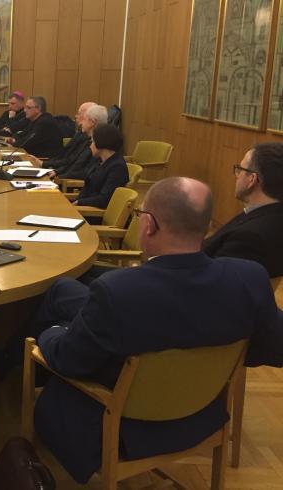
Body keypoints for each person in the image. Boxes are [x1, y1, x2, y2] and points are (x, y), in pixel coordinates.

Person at [26, 177, 283, 484]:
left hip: (121, 427)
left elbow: (68, 360)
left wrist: (53, 331)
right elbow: (273, 348)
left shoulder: (118, 291)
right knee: (65, 290)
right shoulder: (250, 278)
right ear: (205, 227)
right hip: (202, 415)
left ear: (148, 225)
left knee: (57, 317)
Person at [203, 142, 283, 278]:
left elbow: (213, 281)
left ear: (252, 179)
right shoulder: (267, 215)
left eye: (240, 169)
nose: (237, 175)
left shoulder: (250, 238)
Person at [72, 123, 128, 208]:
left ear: (101, 142)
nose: (90, 146)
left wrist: (79, 202)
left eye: (93, 141)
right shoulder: (99, 161)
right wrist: (76, 201)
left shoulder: (117, 167)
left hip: (93, 212)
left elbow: (104, 199)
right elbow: (88, 186)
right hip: (84, 206)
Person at [36, 101, 96, 169]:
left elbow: (72, 162)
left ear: (91, 120)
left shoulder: (89, 139)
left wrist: (46, 164)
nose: (76, 116)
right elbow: (64, 155)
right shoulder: (79, 134)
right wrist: (46, 163)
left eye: (79, 114)